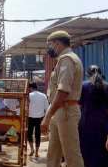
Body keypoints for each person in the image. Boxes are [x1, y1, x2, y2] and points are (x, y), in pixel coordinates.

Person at [41, 30, 84, 167]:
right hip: (60, 111)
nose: (49, 48)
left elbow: (63, 91)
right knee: (53, 155)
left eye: (50, 45)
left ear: (58, 43)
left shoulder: (67, 59)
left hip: (65, 111)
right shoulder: (63, 60)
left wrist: (47, 116)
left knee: (72, 156)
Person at [79, 65, 108, 167]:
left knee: (87, 155)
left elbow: (79, 105)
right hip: (103, 127)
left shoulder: (84, 86)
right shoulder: (106, 86)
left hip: (86, 126)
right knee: (103, 155)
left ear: (87, 75)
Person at [27, 82, 49, 158]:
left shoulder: (29, 96)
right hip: (40, 118)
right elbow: (47, 108)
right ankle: (36, 152)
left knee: (29, 134)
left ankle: (32, 149)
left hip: (30, 118)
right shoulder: (43, 96)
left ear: (30, 88)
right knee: (38, 135)